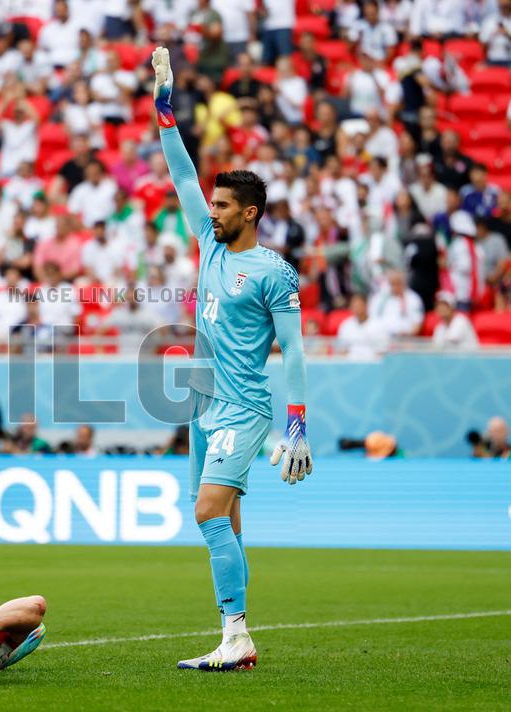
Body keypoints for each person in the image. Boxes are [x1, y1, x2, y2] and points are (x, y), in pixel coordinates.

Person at [153, 47, 311, 673]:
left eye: (221, 207)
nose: (209, 211)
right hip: (202, 404)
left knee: (207, 511)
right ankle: (235, 636)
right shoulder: (208, 245)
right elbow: (183, 179)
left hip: (244, 407)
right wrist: (165, 113)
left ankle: (237, 634)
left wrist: (296, 420)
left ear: (249, 213)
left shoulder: (274, 272)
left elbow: (294, 346)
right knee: (226, 519)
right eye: (211, 205)